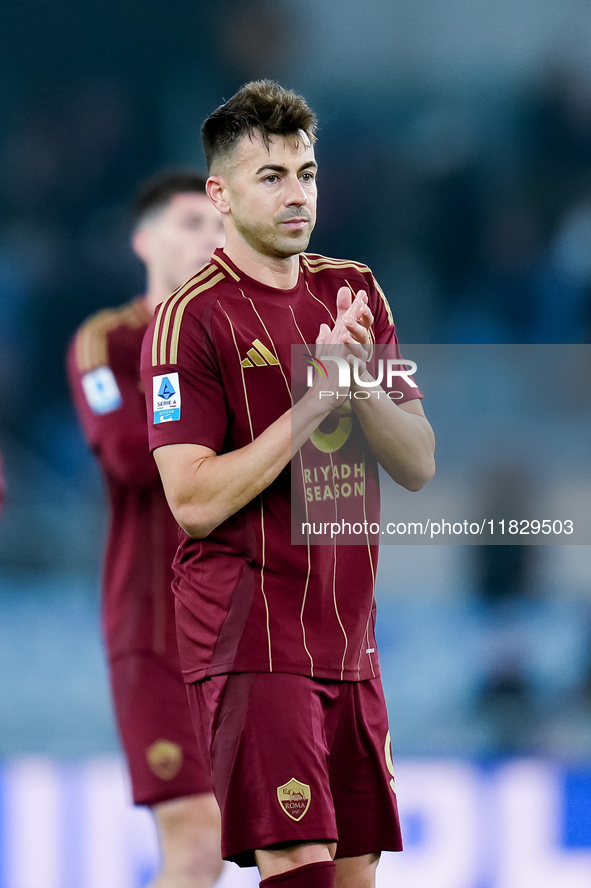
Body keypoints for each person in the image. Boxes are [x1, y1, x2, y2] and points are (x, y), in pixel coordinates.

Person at [140, 82, 436, 888]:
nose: (297, 192)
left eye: (305, 172)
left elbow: (416, 462)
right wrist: (316, 400)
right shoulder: (190, 320)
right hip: (251, 638)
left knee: (350, 875)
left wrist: (359, 384)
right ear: (220, 194)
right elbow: (193, 500)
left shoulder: (354, 290)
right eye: (270, 175)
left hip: (347, 642)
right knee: (298, 865)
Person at [68, 170, 225, 888]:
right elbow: (131, 458)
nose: (211, 239)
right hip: (156, 625)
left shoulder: (256, 341)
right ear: (144, 238)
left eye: (221, 226)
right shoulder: (109, 342)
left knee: (304, 845)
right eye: (192, 223)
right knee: (196, 839)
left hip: (253, 626)